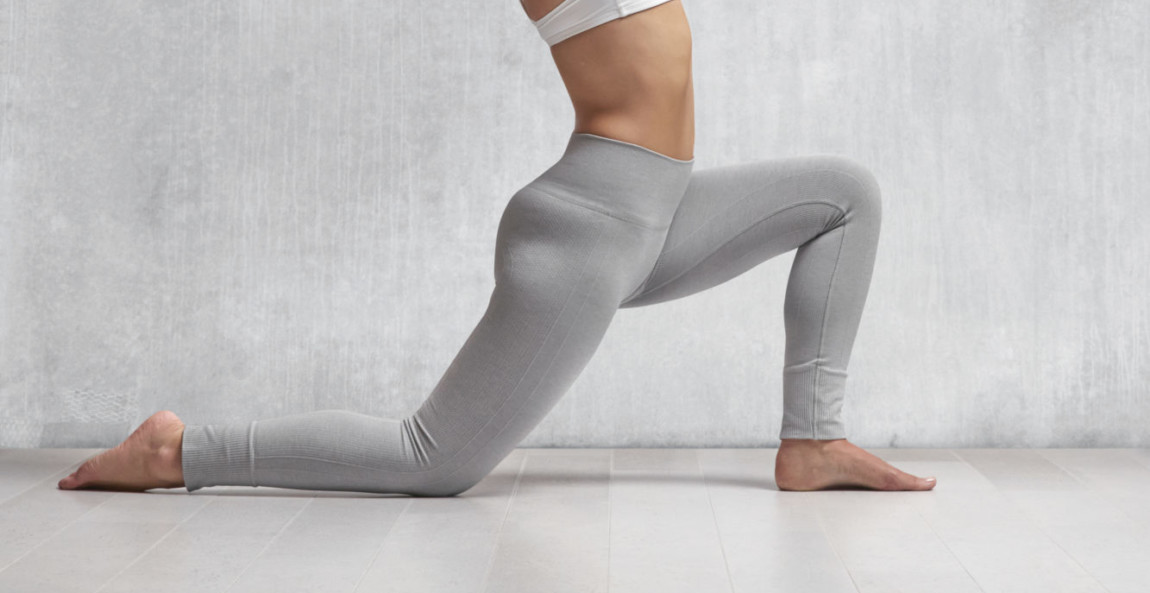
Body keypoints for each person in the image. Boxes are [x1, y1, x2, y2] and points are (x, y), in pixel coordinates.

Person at [58, 0, 936, 494]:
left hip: (657, 214)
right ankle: (177, 450)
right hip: (586, 228)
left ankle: (813, 443)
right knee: (433, 462)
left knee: (844, 196)